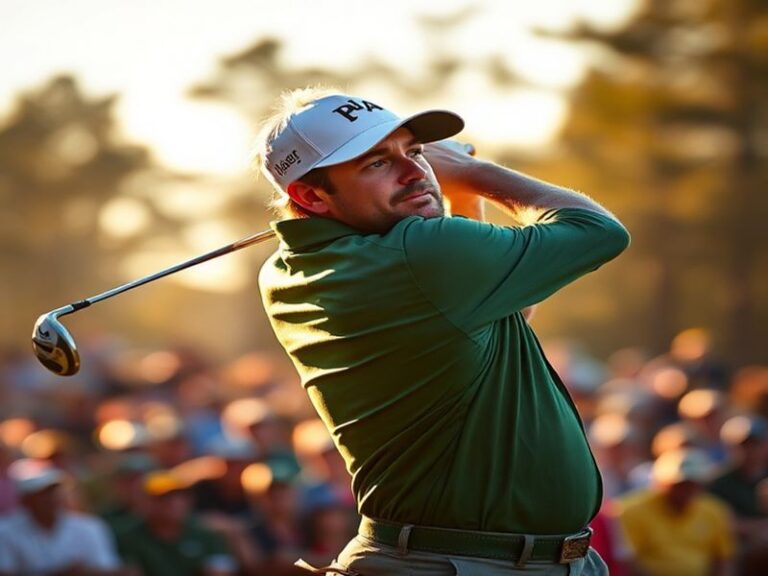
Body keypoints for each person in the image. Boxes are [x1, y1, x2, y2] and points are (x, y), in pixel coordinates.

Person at [254, 88, 630, 575]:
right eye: (377, 163)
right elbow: (599, 231)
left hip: (471, 557)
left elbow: (503, 312)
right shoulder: (416, 255)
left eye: (414, 151)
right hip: (464, 563)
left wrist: (458, 197)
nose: (415, 171)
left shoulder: (286, 270)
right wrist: (471, 172)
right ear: (310, 195)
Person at [616, 448, 735, 576]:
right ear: (661, 484)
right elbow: (627, 561)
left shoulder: (714, 511)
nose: (685, 491)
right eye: (678, 485)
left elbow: (723, 558)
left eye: (691, 484)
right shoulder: (631, 510)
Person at [0, 458, 126, 576]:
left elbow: (107, 568)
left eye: (53, 491)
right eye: (41, 494)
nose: (50, 499)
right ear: (26, 501)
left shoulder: (89, 527)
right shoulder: (5, 531)